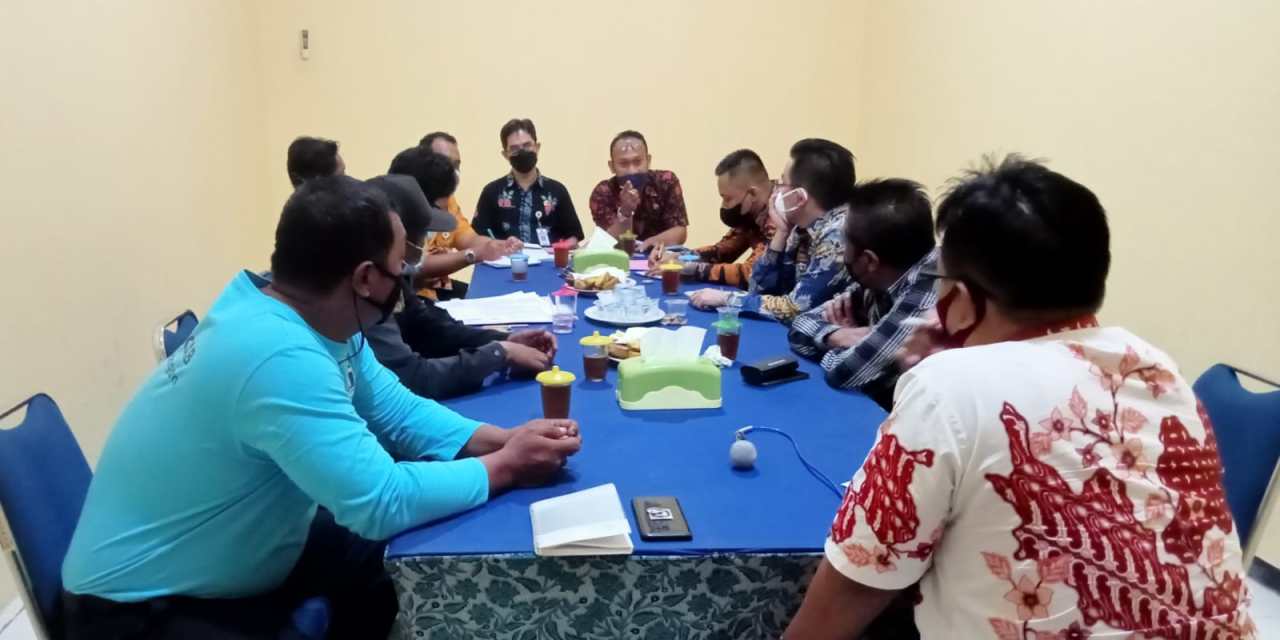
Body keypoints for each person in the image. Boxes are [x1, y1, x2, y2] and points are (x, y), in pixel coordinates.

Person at [60, 176, 582, 640]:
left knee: (385, 563)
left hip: (239, 548)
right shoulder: (276, 354)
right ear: (364, 278)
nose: (405, 281)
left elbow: (397, 411)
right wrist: (507, 466)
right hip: (141, 605)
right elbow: (379, 499)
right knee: (386, 527)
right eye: (400, 269)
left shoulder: (311, 313)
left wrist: (500, 439)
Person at [786, 156, 1257, 639]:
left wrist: (943, 373)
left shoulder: (946, 387)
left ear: (960, 299)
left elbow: (855, 584)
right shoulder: (1157, 368)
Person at [362, 174, 558, 399]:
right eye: (420, 236)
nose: (424, 244)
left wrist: (504, 341)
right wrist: (499, 354)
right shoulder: (369, 298)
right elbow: (412, 379)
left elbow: (427, 328)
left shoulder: (392, 275)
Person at [787, 179, 939, 409]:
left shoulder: (925, 294)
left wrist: (839, 347)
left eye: (845, 242)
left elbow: (844, 373)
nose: (841, 252)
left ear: (869, 261)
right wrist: (835, 335)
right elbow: (799, 325)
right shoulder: (884, 275)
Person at [689, 138, 856, 324]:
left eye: (783, 183)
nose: (776, 190)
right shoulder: (798, 227)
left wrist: (726, 298)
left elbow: (795, 309)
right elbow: (758, 287)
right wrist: (781, 234)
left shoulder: (836, 235)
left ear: (799, 196)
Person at [388, 144, 516, 300]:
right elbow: (417, 266)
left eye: (456, 164)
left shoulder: (443, 200)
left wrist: (497, 245)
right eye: (444, 162)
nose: (451, 170)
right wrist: (473, 254)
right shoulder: (390, 219)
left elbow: (466, 237)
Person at [649, 149, 775, 289]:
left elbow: (752, 273)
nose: (724, 206)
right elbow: (723, 250)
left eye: (728, 199)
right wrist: (679, 256)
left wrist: (692, 269)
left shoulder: (780, 216)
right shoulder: (753, 211)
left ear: (753, 193)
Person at [471, 118, 584, 246]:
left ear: (537, 147)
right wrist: (501, 246)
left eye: (527, 145)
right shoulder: (491, 192)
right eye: (514, 148)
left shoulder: (557, 190)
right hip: (506, 258)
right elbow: (476, 237)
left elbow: (574, 237)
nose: (522, 152)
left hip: (550, 257)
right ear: (505, 154)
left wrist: (557, 249)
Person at [589, 130, 689, 252]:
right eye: (623, 164)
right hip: (619, 259)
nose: (632, 171)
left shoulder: (666, 181)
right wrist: (625, 211)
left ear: (648, 160)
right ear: (612, 166)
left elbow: (680, 231)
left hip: (662, 256)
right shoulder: (603, 192)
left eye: (637, 162)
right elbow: (609, 241)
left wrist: (651, 242)